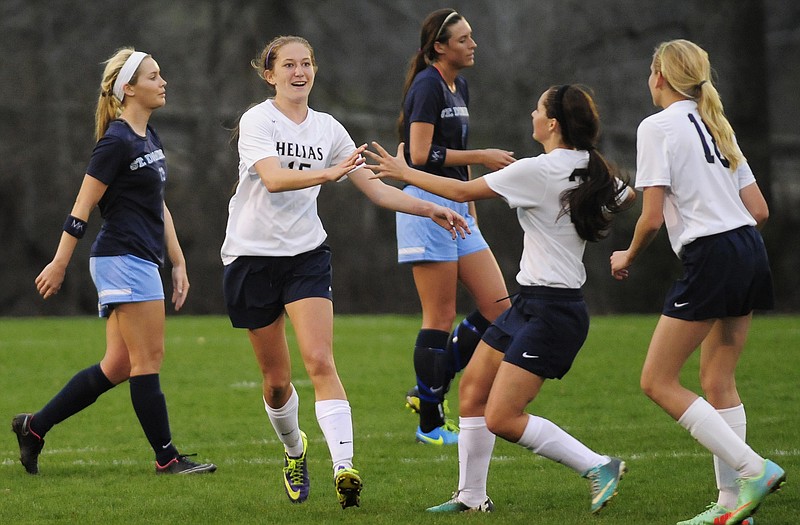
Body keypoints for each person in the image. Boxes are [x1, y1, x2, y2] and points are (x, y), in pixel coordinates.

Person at [220, 35, 470, 509]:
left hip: (306, 257)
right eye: (289, 65)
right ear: (270, 74)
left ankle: (344, 468)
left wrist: (427, 208)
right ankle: (295, 451)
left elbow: (375, 190)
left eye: (307, 63)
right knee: (276, 381)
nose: (300, 72)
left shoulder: (329, 128)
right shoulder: (258, 119)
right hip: (250, 258)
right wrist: (325, 174)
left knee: (320, 360)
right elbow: (273, 179)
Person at [367, 83, 634, 514]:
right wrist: (591, 212)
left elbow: (461, 192)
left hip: (554, 313)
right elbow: (627, 196)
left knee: (503, 418)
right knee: (472, 391)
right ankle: (471, 497)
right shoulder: (594, 167)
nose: (531, 113)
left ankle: (598, 465)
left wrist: (405, 172)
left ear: (552, 124)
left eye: (537, 108)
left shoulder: (540, 170)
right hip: (530, 302)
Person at [12, 48, 216, 476]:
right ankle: (168, 458)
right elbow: (81, 207)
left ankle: (33, 427)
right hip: (121, 259)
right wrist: (59, 262)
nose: (163, 82)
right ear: (129, 89)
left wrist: (177, 262)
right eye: (154, 76)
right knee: (148, 360)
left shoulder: (150, 138)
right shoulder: (116, 141)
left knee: (119, 365)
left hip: (140, 259)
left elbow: (159, 208)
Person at [610, 39, 786, 525]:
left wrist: (626, 254)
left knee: (657, 380)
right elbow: (759, 211)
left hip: (713, 256)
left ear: (659, 77)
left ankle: (754, 469)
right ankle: (733, 508)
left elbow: (649, 217)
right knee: (717, 381)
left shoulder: (656, 127)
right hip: (748, 248)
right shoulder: (716, 123)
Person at [397, 8, 515, 446]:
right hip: (426, 203)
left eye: (472, 37)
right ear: (439, 47)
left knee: (499, 308)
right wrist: (481, 158)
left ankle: (428, 384)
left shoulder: (457, 84)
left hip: (457, 203)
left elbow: (448, 154)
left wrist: (469, 200)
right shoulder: (427, 85)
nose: (473, 44)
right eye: (464, 39)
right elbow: (419, 154)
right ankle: (429, 422)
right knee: (440, 315)